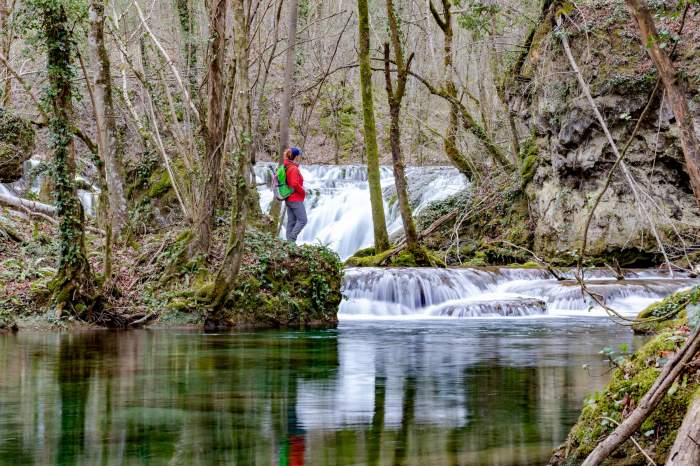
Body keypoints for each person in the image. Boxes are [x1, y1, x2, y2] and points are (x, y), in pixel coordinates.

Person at [283, 147, 307, 242]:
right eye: (298, 155)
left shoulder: (286, 166)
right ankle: (292, 239)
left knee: (291, 221)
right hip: (295, 199)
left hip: (288, 197)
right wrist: (303, 191)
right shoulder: (293, 168)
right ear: (296, 156)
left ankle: (289, 244)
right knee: (303, 220)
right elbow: (294, 183)